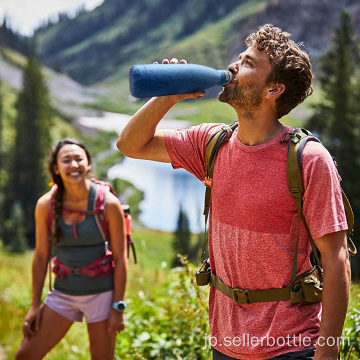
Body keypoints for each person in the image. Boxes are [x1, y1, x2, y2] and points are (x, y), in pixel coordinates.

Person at [117, 24, 351, 360]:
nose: (232, 67)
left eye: (248, 64)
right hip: (225, 344)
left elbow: (336, 258)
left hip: (291, 345)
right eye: (239, 58)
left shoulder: (308, 159)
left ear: (274, 90)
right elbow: (129, 144)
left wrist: (328, 352)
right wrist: (168, 93)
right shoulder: (212, 144)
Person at [15, 138, 128, 360]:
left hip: (102, 297)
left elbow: (120, 259)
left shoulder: (109, 203)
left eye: (79, 159)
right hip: (63, 294)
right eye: (66, 160)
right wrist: (34, 306)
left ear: (88, 164)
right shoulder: (46, 205)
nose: (73, 165)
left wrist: (118, 307)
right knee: (25, 356)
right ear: (56, 168)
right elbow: (40, 256)